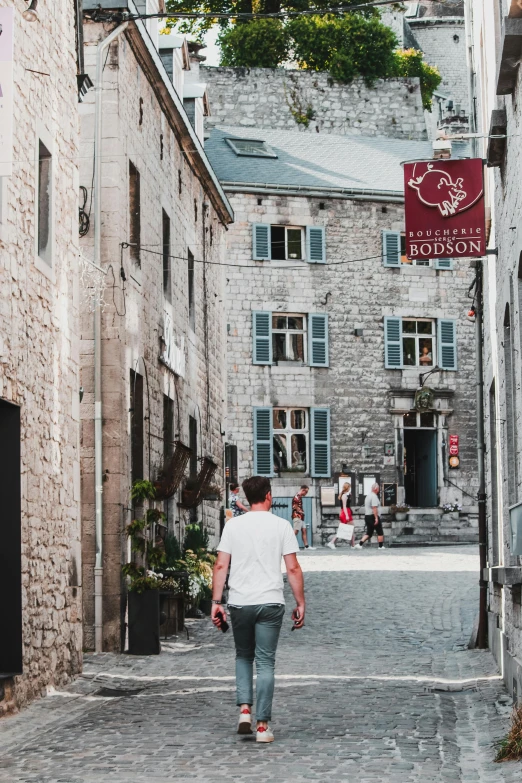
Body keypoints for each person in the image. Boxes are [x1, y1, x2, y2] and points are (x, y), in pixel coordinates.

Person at [211, 476, 305, 744]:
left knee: (243, 656)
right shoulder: (281, 526)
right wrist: (300, 603)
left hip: (240, 601)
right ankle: (263, 727)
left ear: (247, 497)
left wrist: (216, 602)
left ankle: (244, 711)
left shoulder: (233, 526)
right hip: (270, 602)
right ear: (268, 496)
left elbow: (220, 566)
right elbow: (293, 568)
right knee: (265, 662)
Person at [326, 482, 355, 549]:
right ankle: (332, 542)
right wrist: (347, 515)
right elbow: (344, 506)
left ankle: (353, 544)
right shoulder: (344, 496)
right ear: (347, 488)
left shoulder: (345, 495)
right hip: (346, 512)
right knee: (344, 529)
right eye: (349, 487)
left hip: (346, 512)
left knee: (350, 528)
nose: (350, 488)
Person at [357, 482, 385, 550]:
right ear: (376, 489)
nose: (379, 490)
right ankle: (380, 546)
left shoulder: (368, 495)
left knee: (369, 532)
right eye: (378, 488)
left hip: (367, 516)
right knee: (380, 531)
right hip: (372, 516)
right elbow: (374, 507)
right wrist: (376, 518)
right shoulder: (374, 496)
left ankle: (359, 544)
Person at [292, 485, 315, 549]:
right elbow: (294, 506)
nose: (306, 493)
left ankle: (306, 546)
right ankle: (287, 544)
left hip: (300, 517)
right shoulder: (297, 497)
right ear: (303, 490)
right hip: (297, 516)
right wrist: (300, 511)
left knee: (304, 530)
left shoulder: (299, 497)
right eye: (306, 492)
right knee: (295, 531)